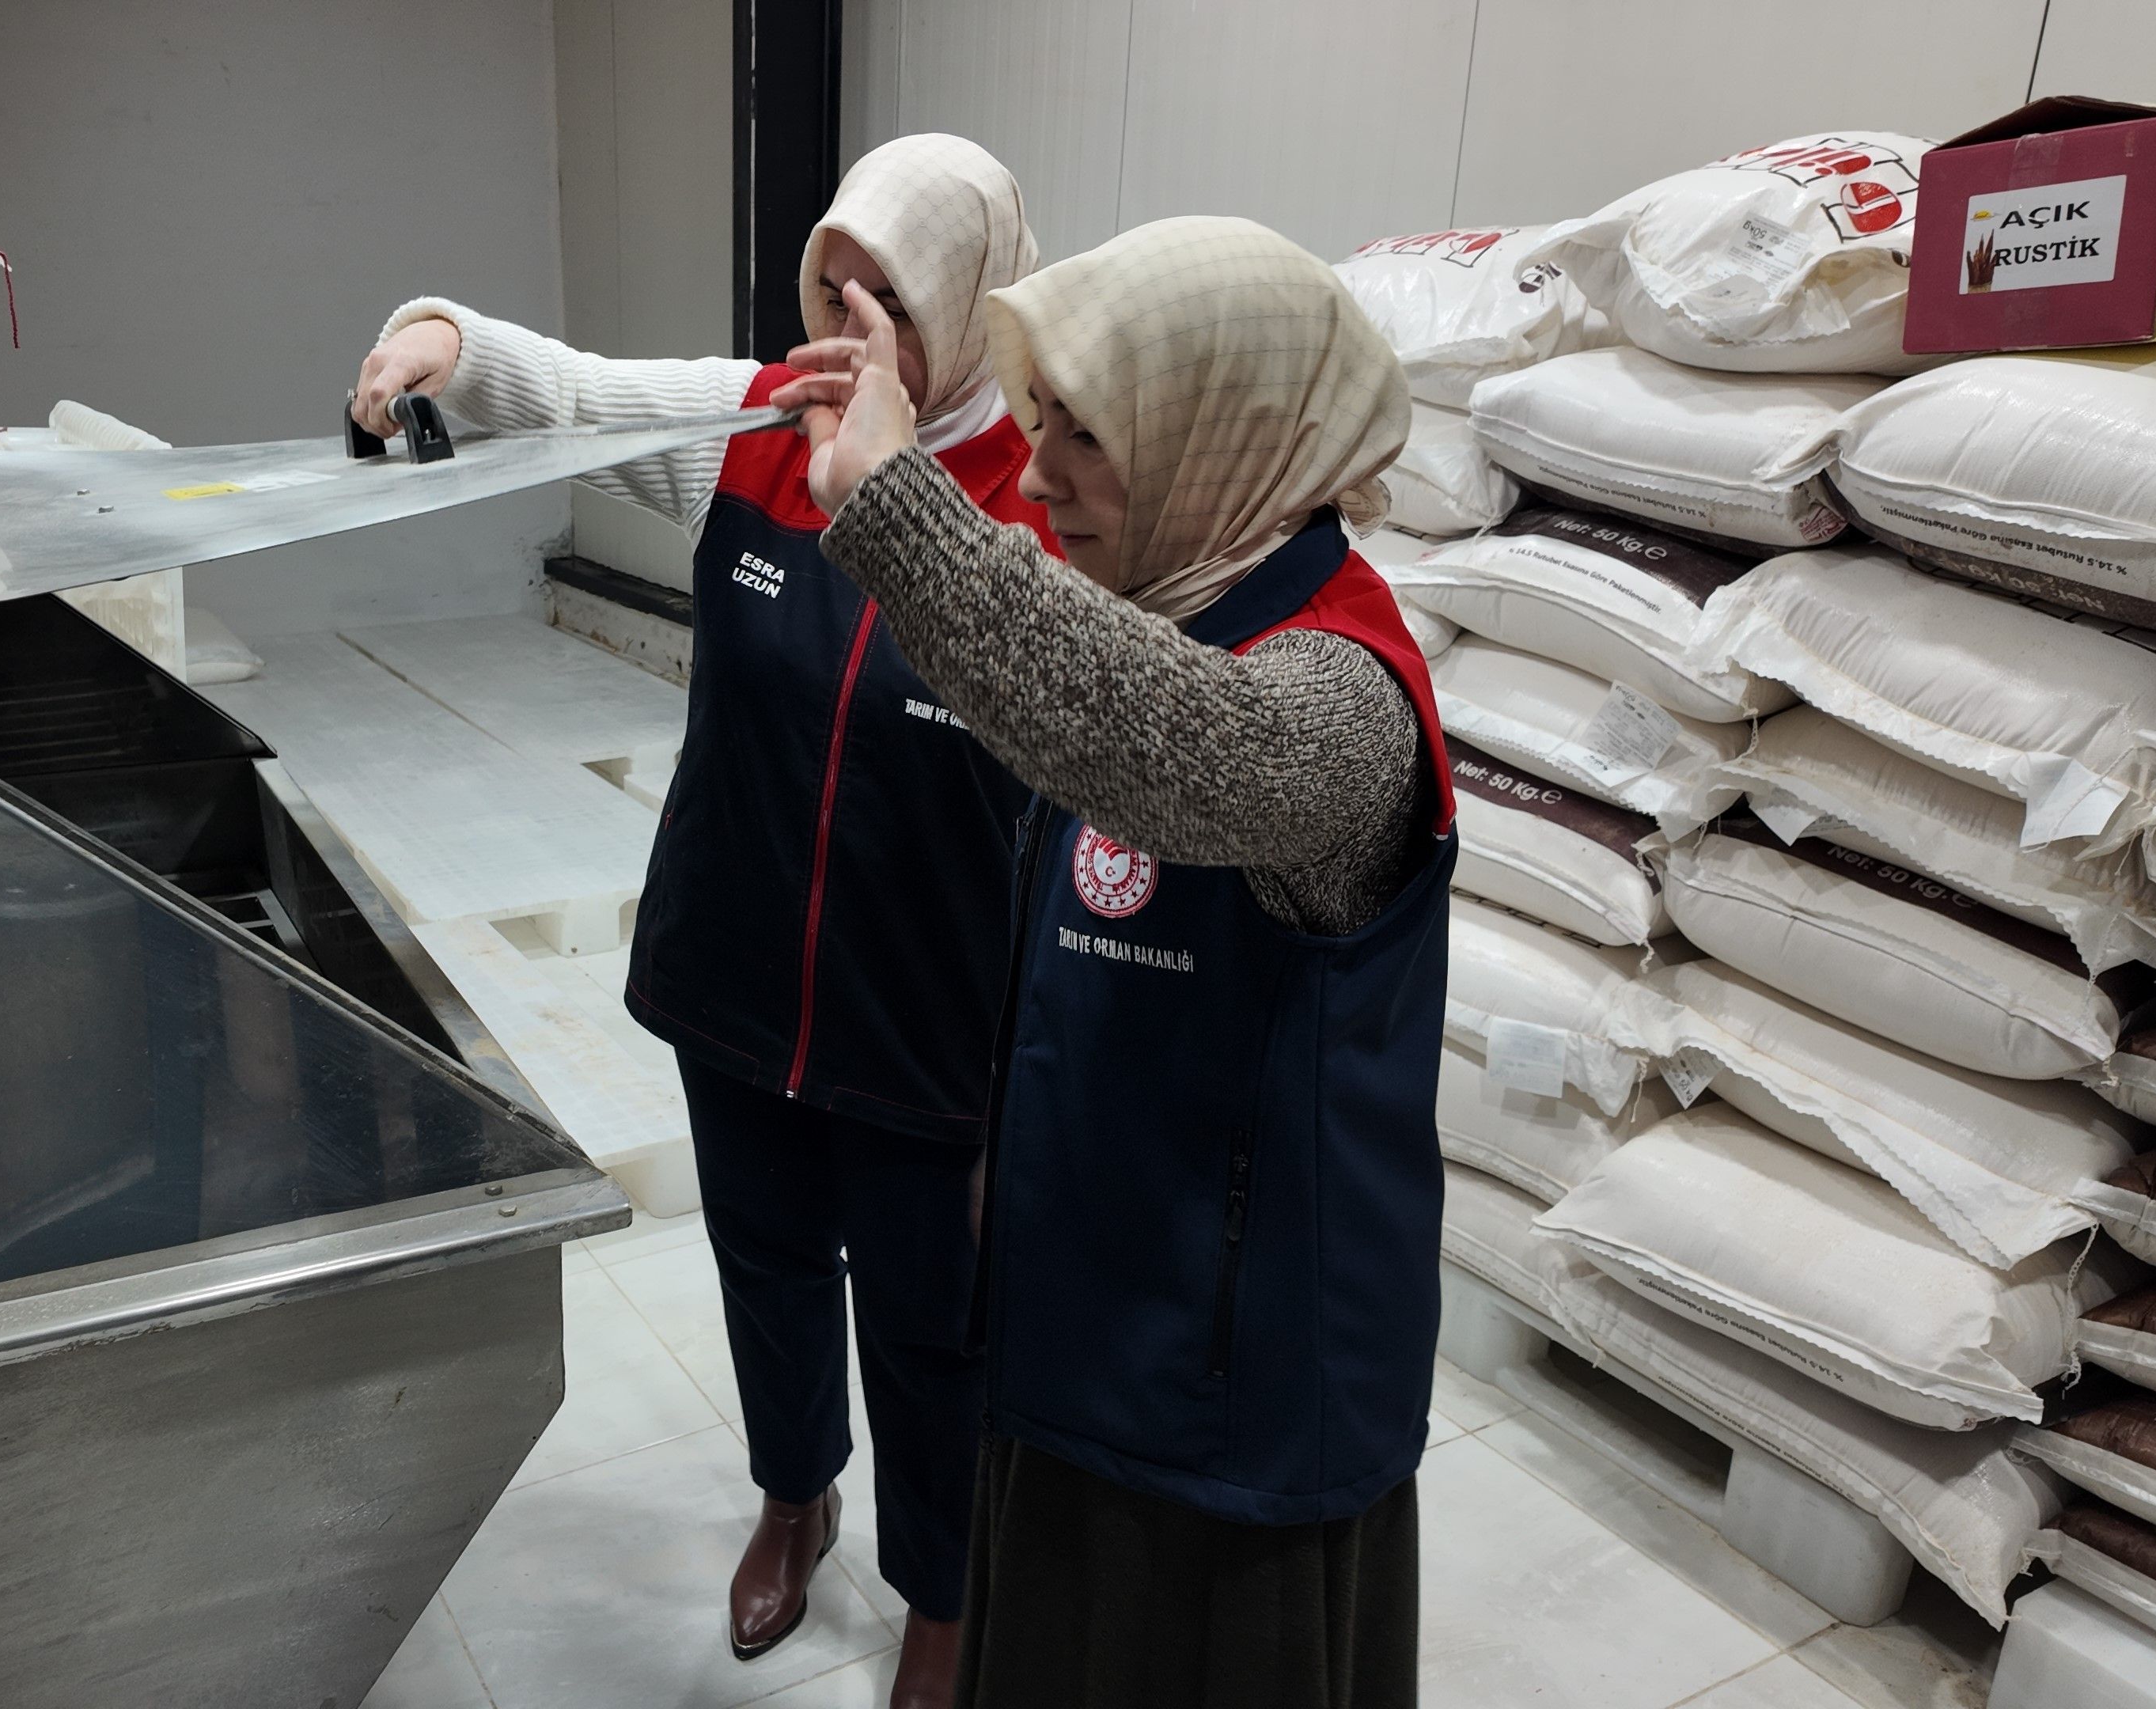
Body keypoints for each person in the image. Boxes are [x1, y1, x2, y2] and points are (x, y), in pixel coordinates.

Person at [349, 136, 1051, 1707]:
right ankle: (795, 1497)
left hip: (927, 1015)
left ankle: (945, 1592)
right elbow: (580, 395)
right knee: (769, 1263)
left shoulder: (1037, 499)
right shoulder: (758, 430)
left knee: (934, 1324)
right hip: (737, 977)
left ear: (969, 307)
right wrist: (443, 340)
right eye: (829, 287)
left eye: (889, 301)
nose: (846, 329)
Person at [778, 217, 1446, 1707]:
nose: (1037, 478)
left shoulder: (1341, 694)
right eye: (1039, 426)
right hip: (1085, 1332)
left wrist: (895, 503)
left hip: (1237, 1414)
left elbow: (1181, 746)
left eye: (1091, 436)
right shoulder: (1156, 603)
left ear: (1227, 435)